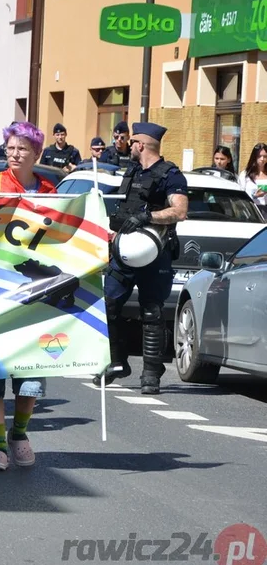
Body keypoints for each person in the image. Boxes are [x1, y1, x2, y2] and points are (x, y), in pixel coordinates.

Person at [0, 121, 56, 471]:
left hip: (35, 292)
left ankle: (20, 434)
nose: (15, 154)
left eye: (23, 149)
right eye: (11, 147)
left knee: (29, 371)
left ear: (37, 153)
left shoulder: (51, 190)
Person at [94, 122, 188, 394]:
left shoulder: (170, 175)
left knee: (152, 311)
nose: (128, 145)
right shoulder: (133, 171)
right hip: (124, 252)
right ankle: (118, 361)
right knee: (108, 305)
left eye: (133, 141)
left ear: (142, 145)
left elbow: (180, 211)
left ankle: (151, 375)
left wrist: (148, 217)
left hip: (154, 253)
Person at [241, 143, 267, 219]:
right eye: (259, 156)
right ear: (254, 157)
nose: (262, 159)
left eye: (265, 156)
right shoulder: (245, 175)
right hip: (249, 210)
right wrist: (255, 196)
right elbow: (240, 194)